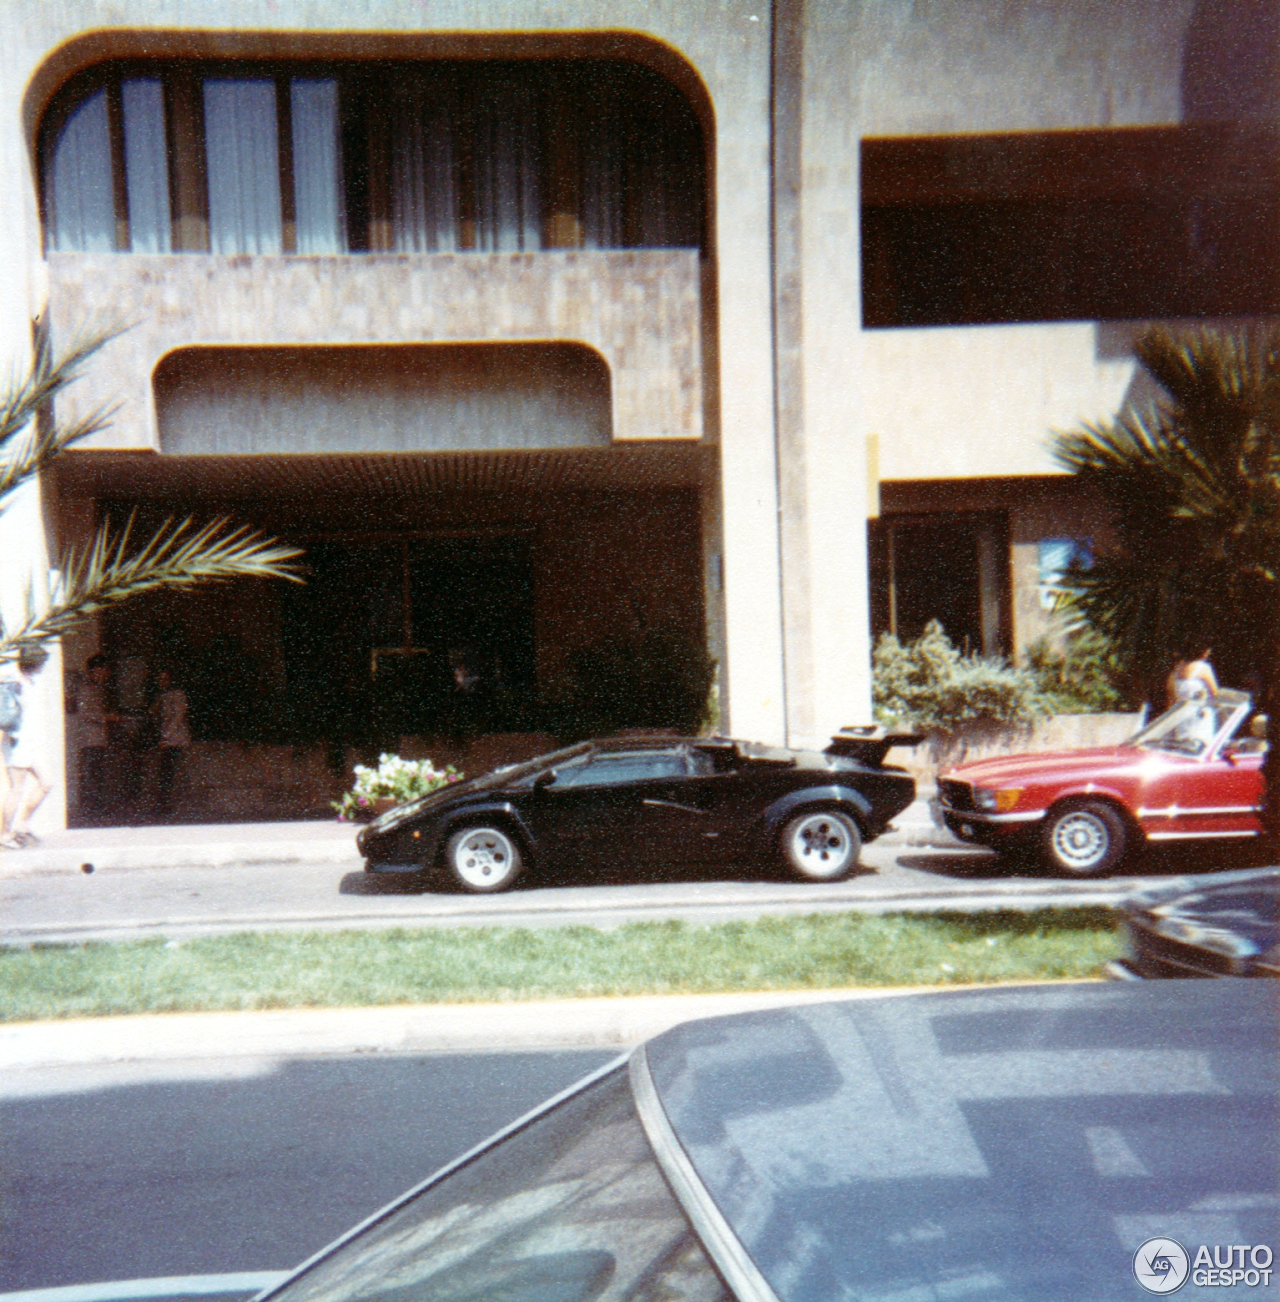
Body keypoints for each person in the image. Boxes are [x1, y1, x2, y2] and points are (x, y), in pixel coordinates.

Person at [0, 649, 53, 848]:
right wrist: (14, 735)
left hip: (30, 743)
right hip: (17, 742)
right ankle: (4, 834)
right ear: (34, 663)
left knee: (47, 782)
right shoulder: (13, 682)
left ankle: (22, 824)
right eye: (41, 663)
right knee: (17, 788)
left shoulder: (30, 681)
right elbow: (5, 714)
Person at [72, 653, 118, 824]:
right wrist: (106, 717)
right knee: (91, 774)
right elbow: (85, 714)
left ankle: (97, 808)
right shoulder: (85, 688)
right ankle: (90, 810)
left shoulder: (99, 688)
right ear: (96, 670)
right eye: (104, 670)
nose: (106, 674)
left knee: (98, 774)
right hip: (89, 739)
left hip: (98, 738)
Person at [150, 668, 190, 817]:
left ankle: (167, 805)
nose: (161, 683)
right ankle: (164, 804)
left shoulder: (178, 695)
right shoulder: (163, 695)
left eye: (164, 679)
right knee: (164, 773)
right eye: (159, 679)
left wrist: (166, 735)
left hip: (175, 740)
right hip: (167, 740)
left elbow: (178, 717)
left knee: (169, 773)